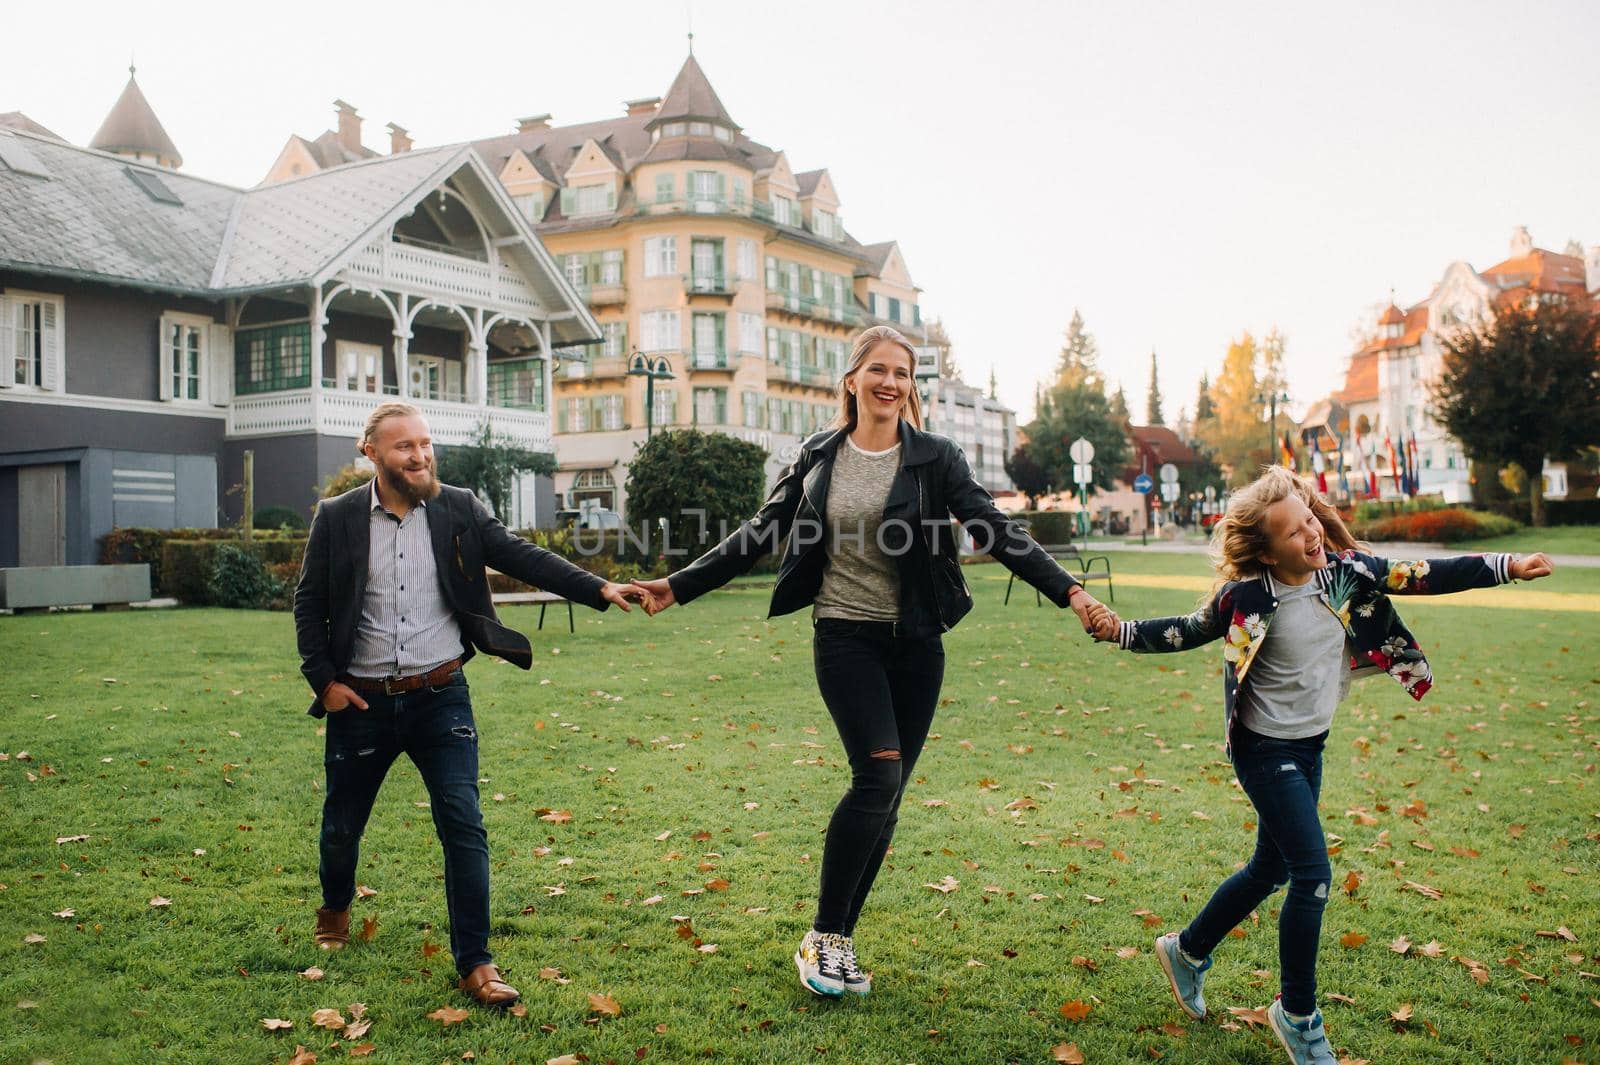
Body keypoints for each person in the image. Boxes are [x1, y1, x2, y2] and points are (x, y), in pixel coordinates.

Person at [631, 325, 1112, 998]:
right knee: (877, 777)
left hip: (917, 644)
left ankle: (838, 941)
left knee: (887, 802)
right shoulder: (819, 454)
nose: (891, 382)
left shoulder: (935, 459)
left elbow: (995, 530)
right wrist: (676, 586)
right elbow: (758, 533)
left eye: (902, 372)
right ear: (851, 378)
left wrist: (1072, 591)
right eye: (878, 369)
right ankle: (823, 937)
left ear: (910, 386)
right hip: (844, 636)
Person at [1085, 465, 1552, 1064]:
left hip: (1310, 745)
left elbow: (1425, 573)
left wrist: (1507, 567)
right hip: (1263, 750)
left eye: (1310, 520)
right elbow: (1185, 629)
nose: (1310, 535)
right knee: (1312, 874)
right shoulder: (1249, 595)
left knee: (1269, 870)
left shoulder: (1345, 573)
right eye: (1293, 532)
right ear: (1264, 550)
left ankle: (1186, 951)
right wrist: (1120, 631)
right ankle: (1298, 1015)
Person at [293, 402, 652, 1009]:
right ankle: (335, 906)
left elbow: (521, 556)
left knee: (463, 823)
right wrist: (323, 680)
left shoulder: (458, 507)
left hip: (441, 695)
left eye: (426, 443)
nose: (420, 455)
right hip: (362, 701)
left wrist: (597, 587)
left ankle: (476, 963)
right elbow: (310, 602)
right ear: (371, 453)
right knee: (341, 826)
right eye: (404, 446)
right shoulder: (339, 517)